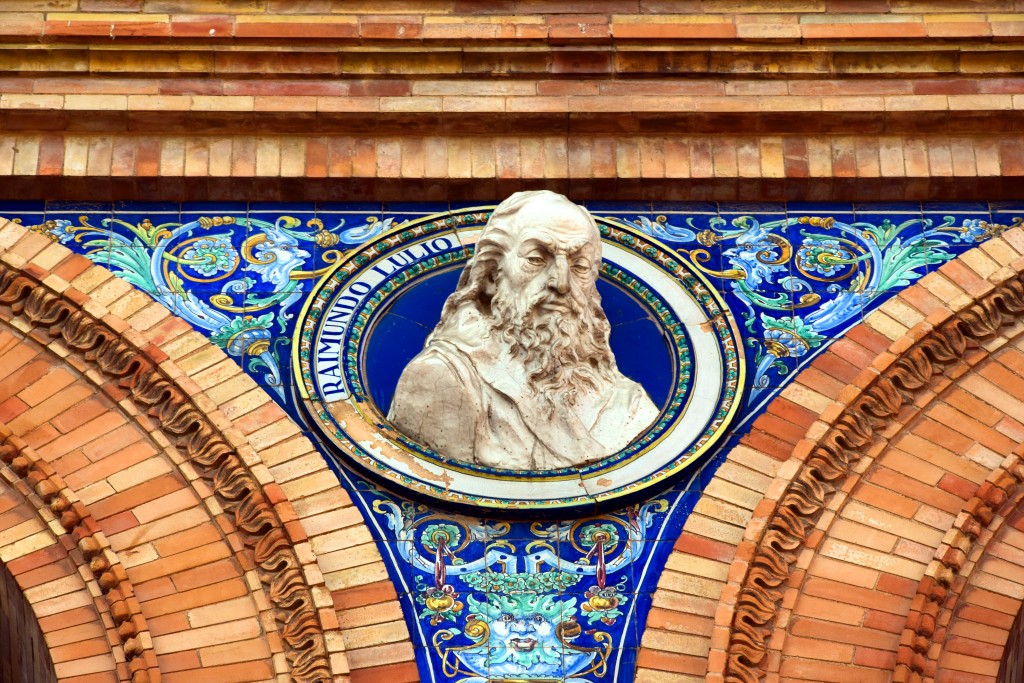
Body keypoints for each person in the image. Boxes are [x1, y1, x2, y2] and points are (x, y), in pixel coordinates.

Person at [388, 191, 658, 470]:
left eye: (579, 266)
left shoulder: (629, 402)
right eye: (536, 259)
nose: (561, 283)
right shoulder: (444, 378)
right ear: (492, 275)